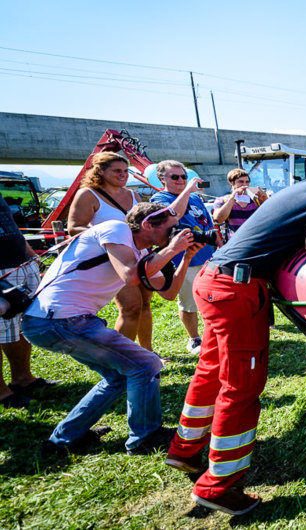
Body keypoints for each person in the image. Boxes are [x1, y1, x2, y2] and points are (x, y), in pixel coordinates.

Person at [164, 152, 306, 516]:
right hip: (237, 290)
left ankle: (185, 449)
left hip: (214, 279)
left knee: (210, 370)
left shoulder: (305, 186)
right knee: (241, 386)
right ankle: (219, 486)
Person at [22, 203, 200, 455]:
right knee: (146, 365)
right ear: (148, 224)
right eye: (171, 229)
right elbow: (130, 276)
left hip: (54, 322)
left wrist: (187, 256)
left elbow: (169, 292)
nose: (176, 233)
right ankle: (146, 437)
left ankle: (62, 441)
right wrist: (172, 248)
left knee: (118, 377)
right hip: (61, 319)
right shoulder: (116, 229)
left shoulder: (139, 253)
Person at [68, 153, 151, 348]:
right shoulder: (88, 194)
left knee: (145, 306)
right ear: (100, 171)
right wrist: (109, 237)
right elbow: (74, 227)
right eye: (117, 171)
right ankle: (122, 357)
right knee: (130, 308)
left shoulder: (133, 195)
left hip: (140, 254)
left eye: (125, 171)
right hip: (112, 259)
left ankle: (147, 352)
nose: (123, 175)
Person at [152, 161, 220, 355]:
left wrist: (221, 248)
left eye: (184, 176)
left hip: (209, 257)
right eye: (175, 177)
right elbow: (172, 216)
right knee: (189, 303)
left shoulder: (196, 199)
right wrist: (187, 191)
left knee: (213, 298)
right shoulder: (160, 198)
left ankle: (213, 334)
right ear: (162, 179)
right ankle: (194, 339)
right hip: (185, 259)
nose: (181, 180)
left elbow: (208, 224)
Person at [0, 195, 56, 409]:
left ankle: (23, 378)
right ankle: (1, 392)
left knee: (21, 323)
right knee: (1, 329)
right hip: (2, 269)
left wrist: (29, 253)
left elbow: (9, 224)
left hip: (20, 262)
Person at [212, 168, 267, 240]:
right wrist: (232, 199)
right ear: (231, 182)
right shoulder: (222, 200)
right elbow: (218, 219)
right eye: (240, 182)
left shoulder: (256, 200)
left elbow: (272, 218)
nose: (244, 185)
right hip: (235, 244)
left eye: (247, 182)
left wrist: (266, 200)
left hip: (256, 242)